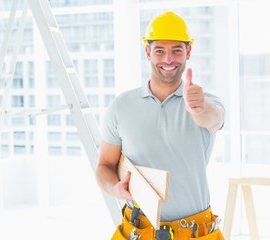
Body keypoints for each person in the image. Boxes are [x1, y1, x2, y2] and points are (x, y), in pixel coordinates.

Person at [95, 11, 225, 240]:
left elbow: (214, 119)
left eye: (176, 50)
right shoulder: (121, 106)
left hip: (195, 233)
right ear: (148, 52)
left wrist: (200, 108)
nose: (168, 59)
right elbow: (105, 165)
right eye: (160, 51)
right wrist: (115, 188)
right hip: (138, 230)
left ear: (188, 52)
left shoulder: (207, 102)